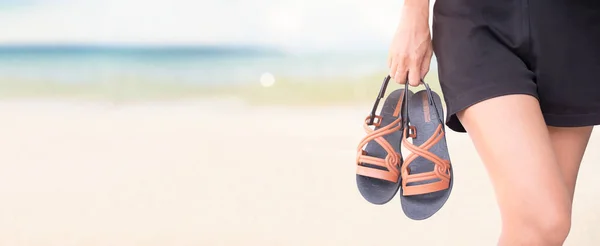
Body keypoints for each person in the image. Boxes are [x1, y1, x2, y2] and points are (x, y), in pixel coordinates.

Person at [388, 0, 600, 245]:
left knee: (541, 233)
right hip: (475, 19)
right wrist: (414, 12)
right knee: (545, 219)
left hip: (574, 28)